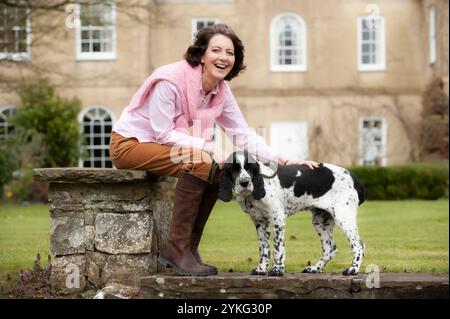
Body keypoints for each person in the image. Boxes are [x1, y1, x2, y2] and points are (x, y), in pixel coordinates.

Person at [109, 23, 319, 276]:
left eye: (230, 53)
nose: (223, 57)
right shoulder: (170, 80)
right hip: (130, 144)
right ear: (201, 54)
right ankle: (176, 248)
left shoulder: (220, 91)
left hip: (164, 147)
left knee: (220, 169)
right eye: (216, 50)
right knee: (200, 160)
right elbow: (163, 133)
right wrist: (208, 146)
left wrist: (284, 159)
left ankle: (189, 249)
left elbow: (241, 133)